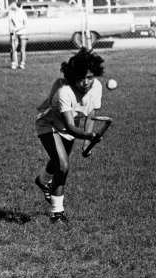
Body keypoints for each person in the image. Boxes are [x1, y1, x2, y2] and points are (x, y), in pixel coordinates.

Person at [35, 47, 105, 225]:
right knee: (63, 164)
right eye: (81, 78)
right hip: (49, 124)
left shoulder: (96, 87)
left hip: (69, 128)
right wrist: (88, 136)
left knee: (58, 161)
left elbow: (90, 115)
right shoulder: (65, 92)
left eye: (89, 77)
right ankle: (57, 213)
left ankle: (43, 181)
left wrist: (86, 145)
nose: (85, 82)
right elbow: (71, 127)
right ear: (73, 77)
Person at [8, 0, 28, 70]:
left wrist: (17, 29)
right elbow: (10, 22)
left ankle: (22, 63)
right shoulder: (11, 13)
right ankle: (14, 63)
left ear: (16, 4)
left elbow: (25, 25)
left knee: (22, 50)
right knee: (13, 49)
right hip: (14, 33)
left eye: (13, 3)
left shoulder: (23, 12)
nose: (12, 5)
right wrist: (11, 30)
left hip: (22, 33)